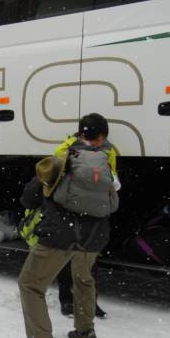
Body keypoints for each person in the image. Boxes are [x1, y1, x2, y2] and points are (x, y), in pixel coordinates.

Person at [16, 113, 115, 338]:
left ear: (80, 133)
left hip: (62, 231)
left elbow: (32, 194)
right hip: (95, 233)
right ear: (103, 135)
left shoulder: (65, 153)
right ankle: (85, 331)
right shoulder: (108, 158)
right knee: (84, 279)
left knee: (30, 283)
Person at [53, 113, 118, 319]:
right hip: (84, 212)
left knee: (80, 257)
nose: (99, 141)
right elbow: (113, 182)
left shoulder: (69, 147)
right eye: (98, 137)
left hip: (79, 211)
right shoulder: (104, 151)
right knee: (79, 257)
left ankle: (79, 302)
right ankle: (71, 300)